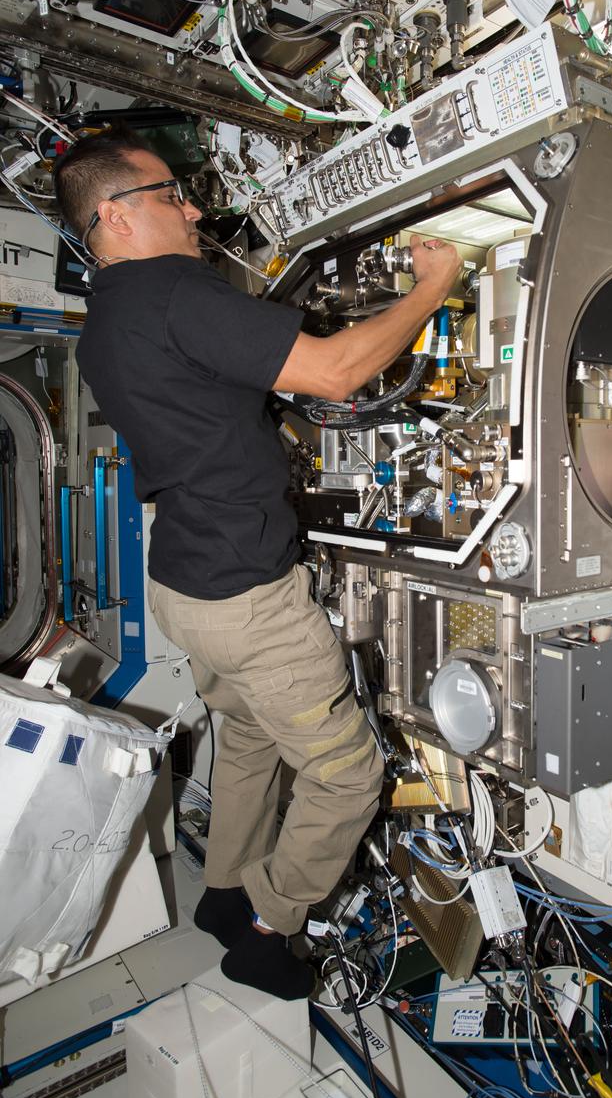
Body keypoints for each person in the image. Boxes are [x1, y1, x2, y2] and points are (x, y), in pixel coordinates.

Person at [53, 127, 460, 1000]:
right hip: (247, 592)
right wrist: (433, 287)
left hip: (183, 584)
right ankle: (272, 928)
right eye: (172, 195)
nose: (193, 208)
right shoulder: (173, 292)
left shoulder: (106, 322)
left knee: (246, 735)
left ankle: (225, 891)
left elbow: (211, 402)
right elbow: (336, 373)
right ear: (116, 216)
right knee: (347, 772)